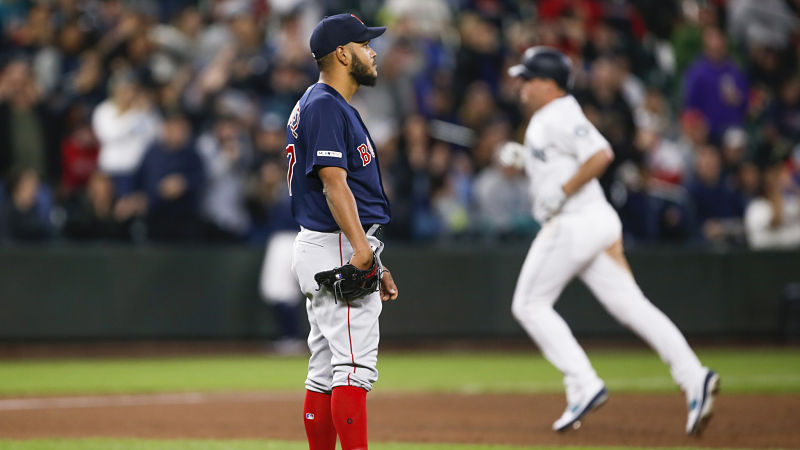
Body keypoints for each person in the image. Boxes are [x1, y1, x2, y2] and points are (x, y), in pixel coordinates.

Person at [503, 46, 719, 436]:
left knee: (529, 304)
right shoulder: (553, 117)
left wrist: (564, 188)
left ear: (549, 84)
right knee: (634, 307)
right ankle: (694, 375)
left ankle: (583, 381)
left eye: (528, 78)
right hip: (595, 222)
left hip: (574, 224)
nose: (521, 84)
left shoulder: (558, 113)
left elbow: (601, 154)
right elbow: (568, 158)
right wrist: (528, 160)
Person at [288, 14, 399, 450]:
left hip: (327, 242)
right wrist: (361, 253)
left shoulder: (318, 103)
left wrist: (373, 255)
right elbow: (335, 185)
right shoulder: (326, 105)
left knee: (325, 368)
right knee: (353, 368)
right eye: (364, 44)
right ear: (341, 53)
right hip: (336, 243)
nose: (372, 51)